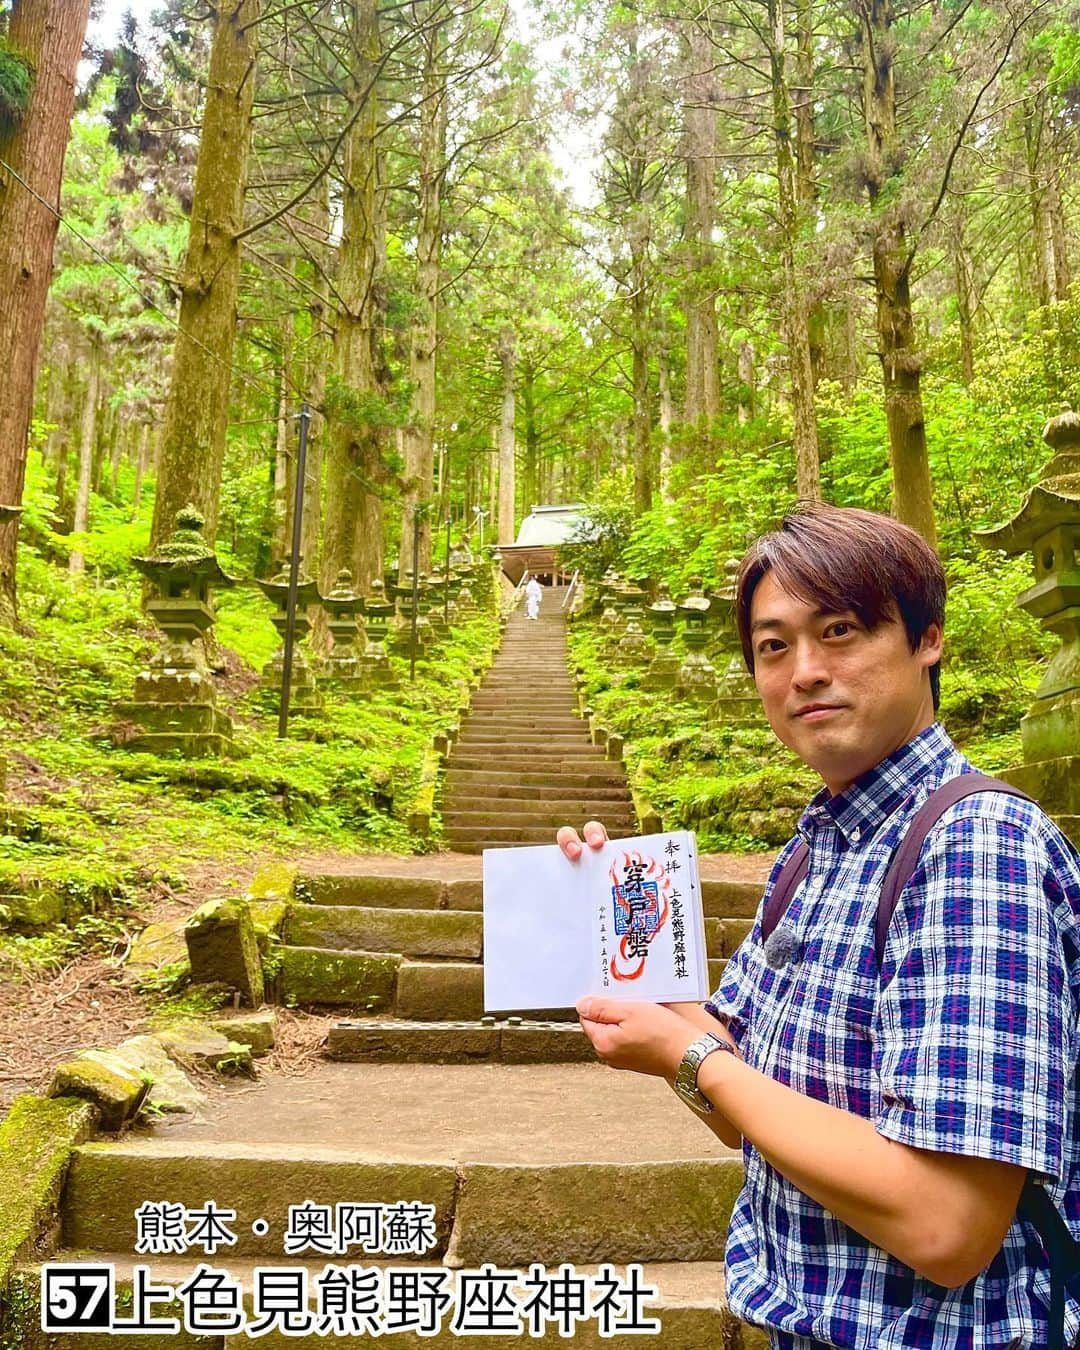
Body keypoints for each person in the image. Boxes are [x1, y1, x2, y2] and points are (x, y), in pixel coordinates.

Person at [557, 503, 1080, 1349]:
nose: (803, 670)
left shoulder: (976, 848)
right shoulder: (820, 844)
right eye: (773, 645)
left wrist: (689, 1056)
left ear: (928, 640)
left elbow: (947, 1227)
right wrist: (620, 918)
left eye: (838, 631)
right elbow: (740, 1102)